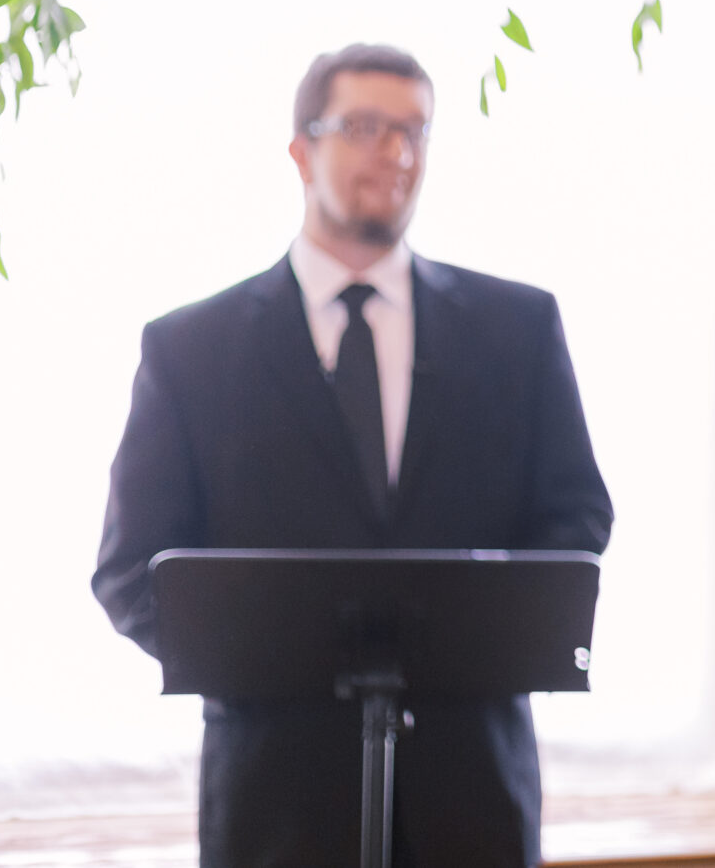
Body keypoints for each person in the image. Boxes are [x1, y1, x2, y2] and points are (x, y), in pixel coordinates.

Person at [94, 43, 613, 868]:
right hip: (276, 801)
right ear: (301, 149)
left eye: (415, 131)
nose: (396, 152)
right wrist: (250, 651)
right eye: (367, 126)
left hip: (472, 797)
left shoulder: (518, 329)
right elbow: (130, 565)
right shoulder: (190, 348)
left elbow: (576, 515)